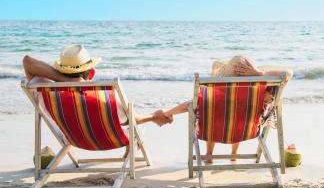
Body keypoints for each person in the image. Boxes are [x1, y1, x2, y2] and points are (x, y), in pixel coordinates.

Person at [163, 56, 293, 163]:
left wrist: (169, 113)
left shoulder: (213, 95)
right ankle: (234, 155)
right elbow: (288, 73)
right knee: (241, 111)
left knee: (212, 112)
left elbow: (189, 105)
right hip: (246, 129)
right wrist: (258, 73)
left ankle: (209, 155)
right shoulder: (259, 90)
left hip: (214, 127)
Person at [23, 44, 172, 126]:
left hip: (73, 138)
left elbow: (28, 61)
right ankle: (133, 147)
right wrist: (153, 116)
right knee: (130, 123)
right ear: (91, 73)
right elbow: (131, 119)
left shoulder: (45, 93)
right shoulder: (103, 99)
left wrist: (63, 81)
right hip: (103, 140)